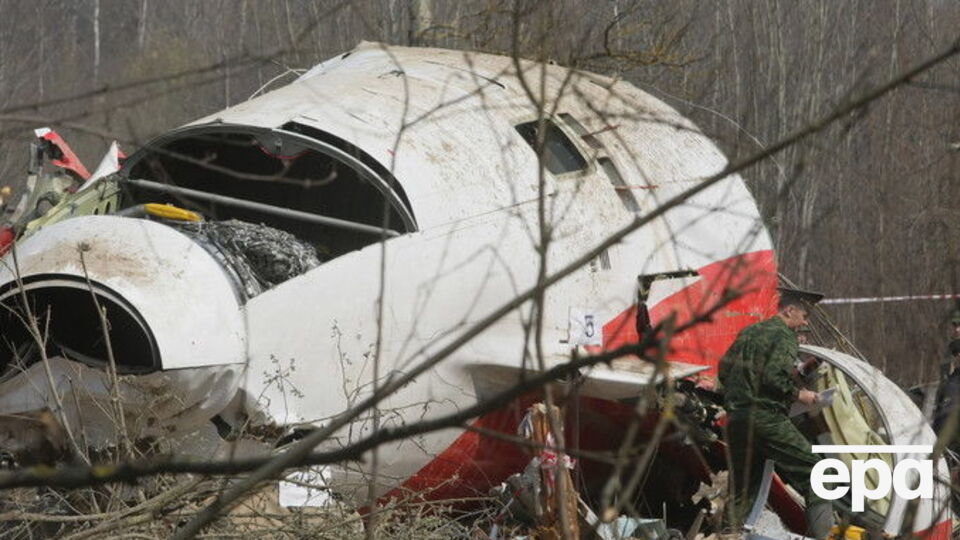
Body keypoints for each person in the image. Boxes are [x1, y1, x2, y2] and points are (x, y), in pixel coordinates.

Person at [719, 286, 833, 539]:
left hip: (737, 420)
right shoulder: (783, 336)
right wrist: (801, 394)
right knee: (817, 476)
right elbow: (772, 376)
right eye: (804, 315)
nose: (806, 321)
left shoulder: (749, 332)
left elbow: (724, 371)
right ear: (789, 310)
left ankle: (728, 534)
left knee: (743, 487)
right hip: (766, 417)